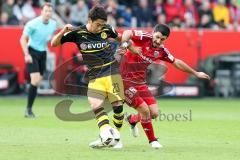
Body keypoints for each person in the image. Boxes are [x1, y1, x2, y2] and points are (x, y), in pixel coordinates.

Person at [119, 24, 210, 149]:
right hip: (124, 81)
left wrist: (195, 73)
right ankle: (152, 141)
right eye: (157, 37)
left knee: (154, 113)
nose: (158, 41)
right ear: (153, 32)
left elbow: (176, 62)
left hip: (140, 83)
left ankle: (132, 119)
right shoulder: (144, 37)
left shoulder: (161, 51)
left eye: (162, 39)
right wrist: (129, 46)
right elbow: (127, 32)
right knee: (145, 110)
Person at [51, 6, 125, 149]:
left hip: (112, 71)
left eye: (102, 25)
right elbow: (54, 43)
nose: (100, 28)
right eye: (98, 24)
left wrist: (126, 45)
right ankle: (106, 135)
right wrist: (63, 31)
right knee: (95, 105)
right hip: (95, 75)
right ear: (89, 20)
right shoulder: (78, 33)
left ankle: (117, 138)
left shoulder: (107, 29)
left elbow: (122, 38)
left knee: (117, 107)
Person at [20, 3, 57, 118]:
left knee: (37, 81)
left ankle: (28, 86)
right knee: (35, 80)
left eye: (50, 11)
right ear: (41, 12)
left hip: (43, 53)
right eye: (46, 11)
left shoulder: (53, 24)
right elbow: (22, 39)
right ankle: (28, 110)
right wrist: (26, 54)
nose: (48, 13)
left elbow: (49, 39)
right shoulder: (32, 24)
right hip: (32, 52)